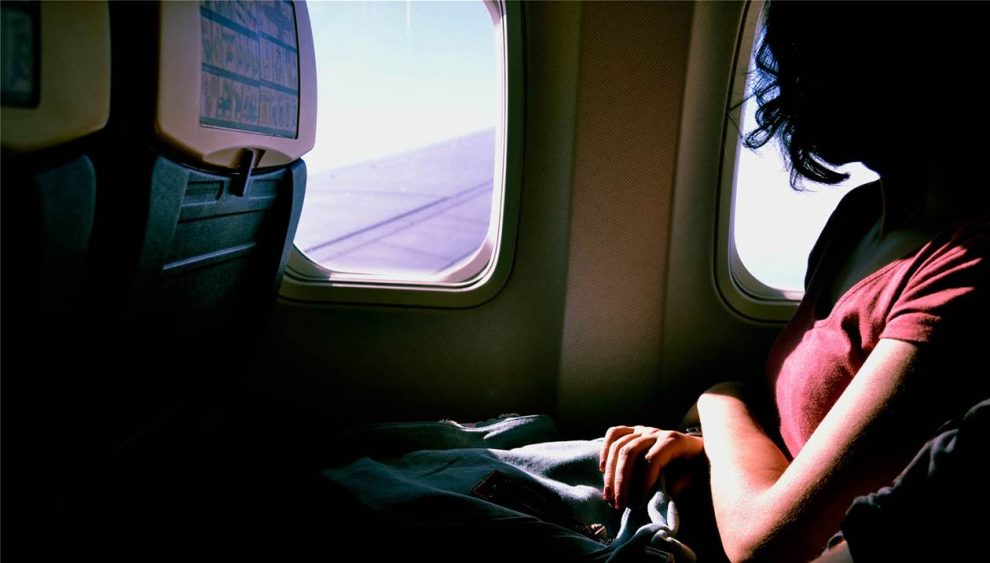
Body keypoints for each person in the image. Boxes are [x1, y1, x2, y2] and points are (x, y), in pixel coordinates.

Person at [599, 2, 990, 561]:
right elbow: (796, 447)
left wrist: (720, 398)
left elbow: (768, 545)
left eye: (817, 56)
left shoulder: (966, 269)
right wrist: (703, 453)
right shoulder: (858, 218)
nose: (790, 83)